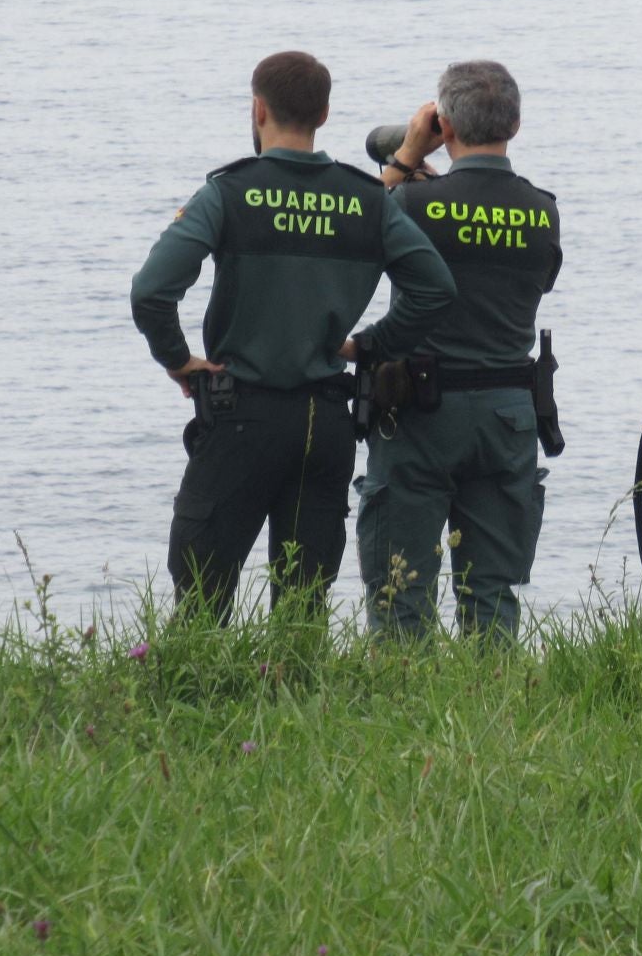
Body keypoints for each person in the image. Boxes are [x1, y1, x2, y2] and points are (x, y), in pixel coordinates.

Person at [131, 51, 455, 622]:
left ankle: (187, 703)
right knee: (303, 608)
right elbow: (434, 291)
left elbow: (152, 291)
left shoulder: (229, 193)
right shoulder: (365, 199)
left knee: (202, 598)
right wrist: (369, 344)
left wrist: (179, 361)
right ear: (325, 114)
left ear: (257, 109)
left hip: (240, 418)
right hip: (324, 423)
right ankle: (297, 696)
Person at [355, 61, 563, 641]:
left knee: (400, 588)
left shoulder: (413, 204)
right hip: (507, 413)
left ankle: (403, 708)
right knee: (492, 590)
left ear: (442, 126)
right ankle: (492, 707)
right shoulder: (542, 211)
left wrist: (401, 163)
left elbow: (349, 236)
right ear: (515, 124)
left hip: (420, 413)